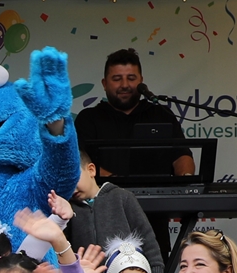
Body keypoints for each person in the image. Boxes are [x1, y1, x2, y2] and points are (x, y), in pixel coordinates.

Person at [74, 48, 194, 181]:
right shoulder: (88, 119)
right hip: (105, 197)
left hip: (159, 199)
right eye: (117, 79)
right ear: (105, 84)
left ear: (141, 81)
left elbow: (182, 155)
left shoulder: (161, 114)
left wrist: (185, 181)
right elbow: (80, 163)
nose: (125, 85)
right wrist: (118, 187)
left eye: (131, 78)